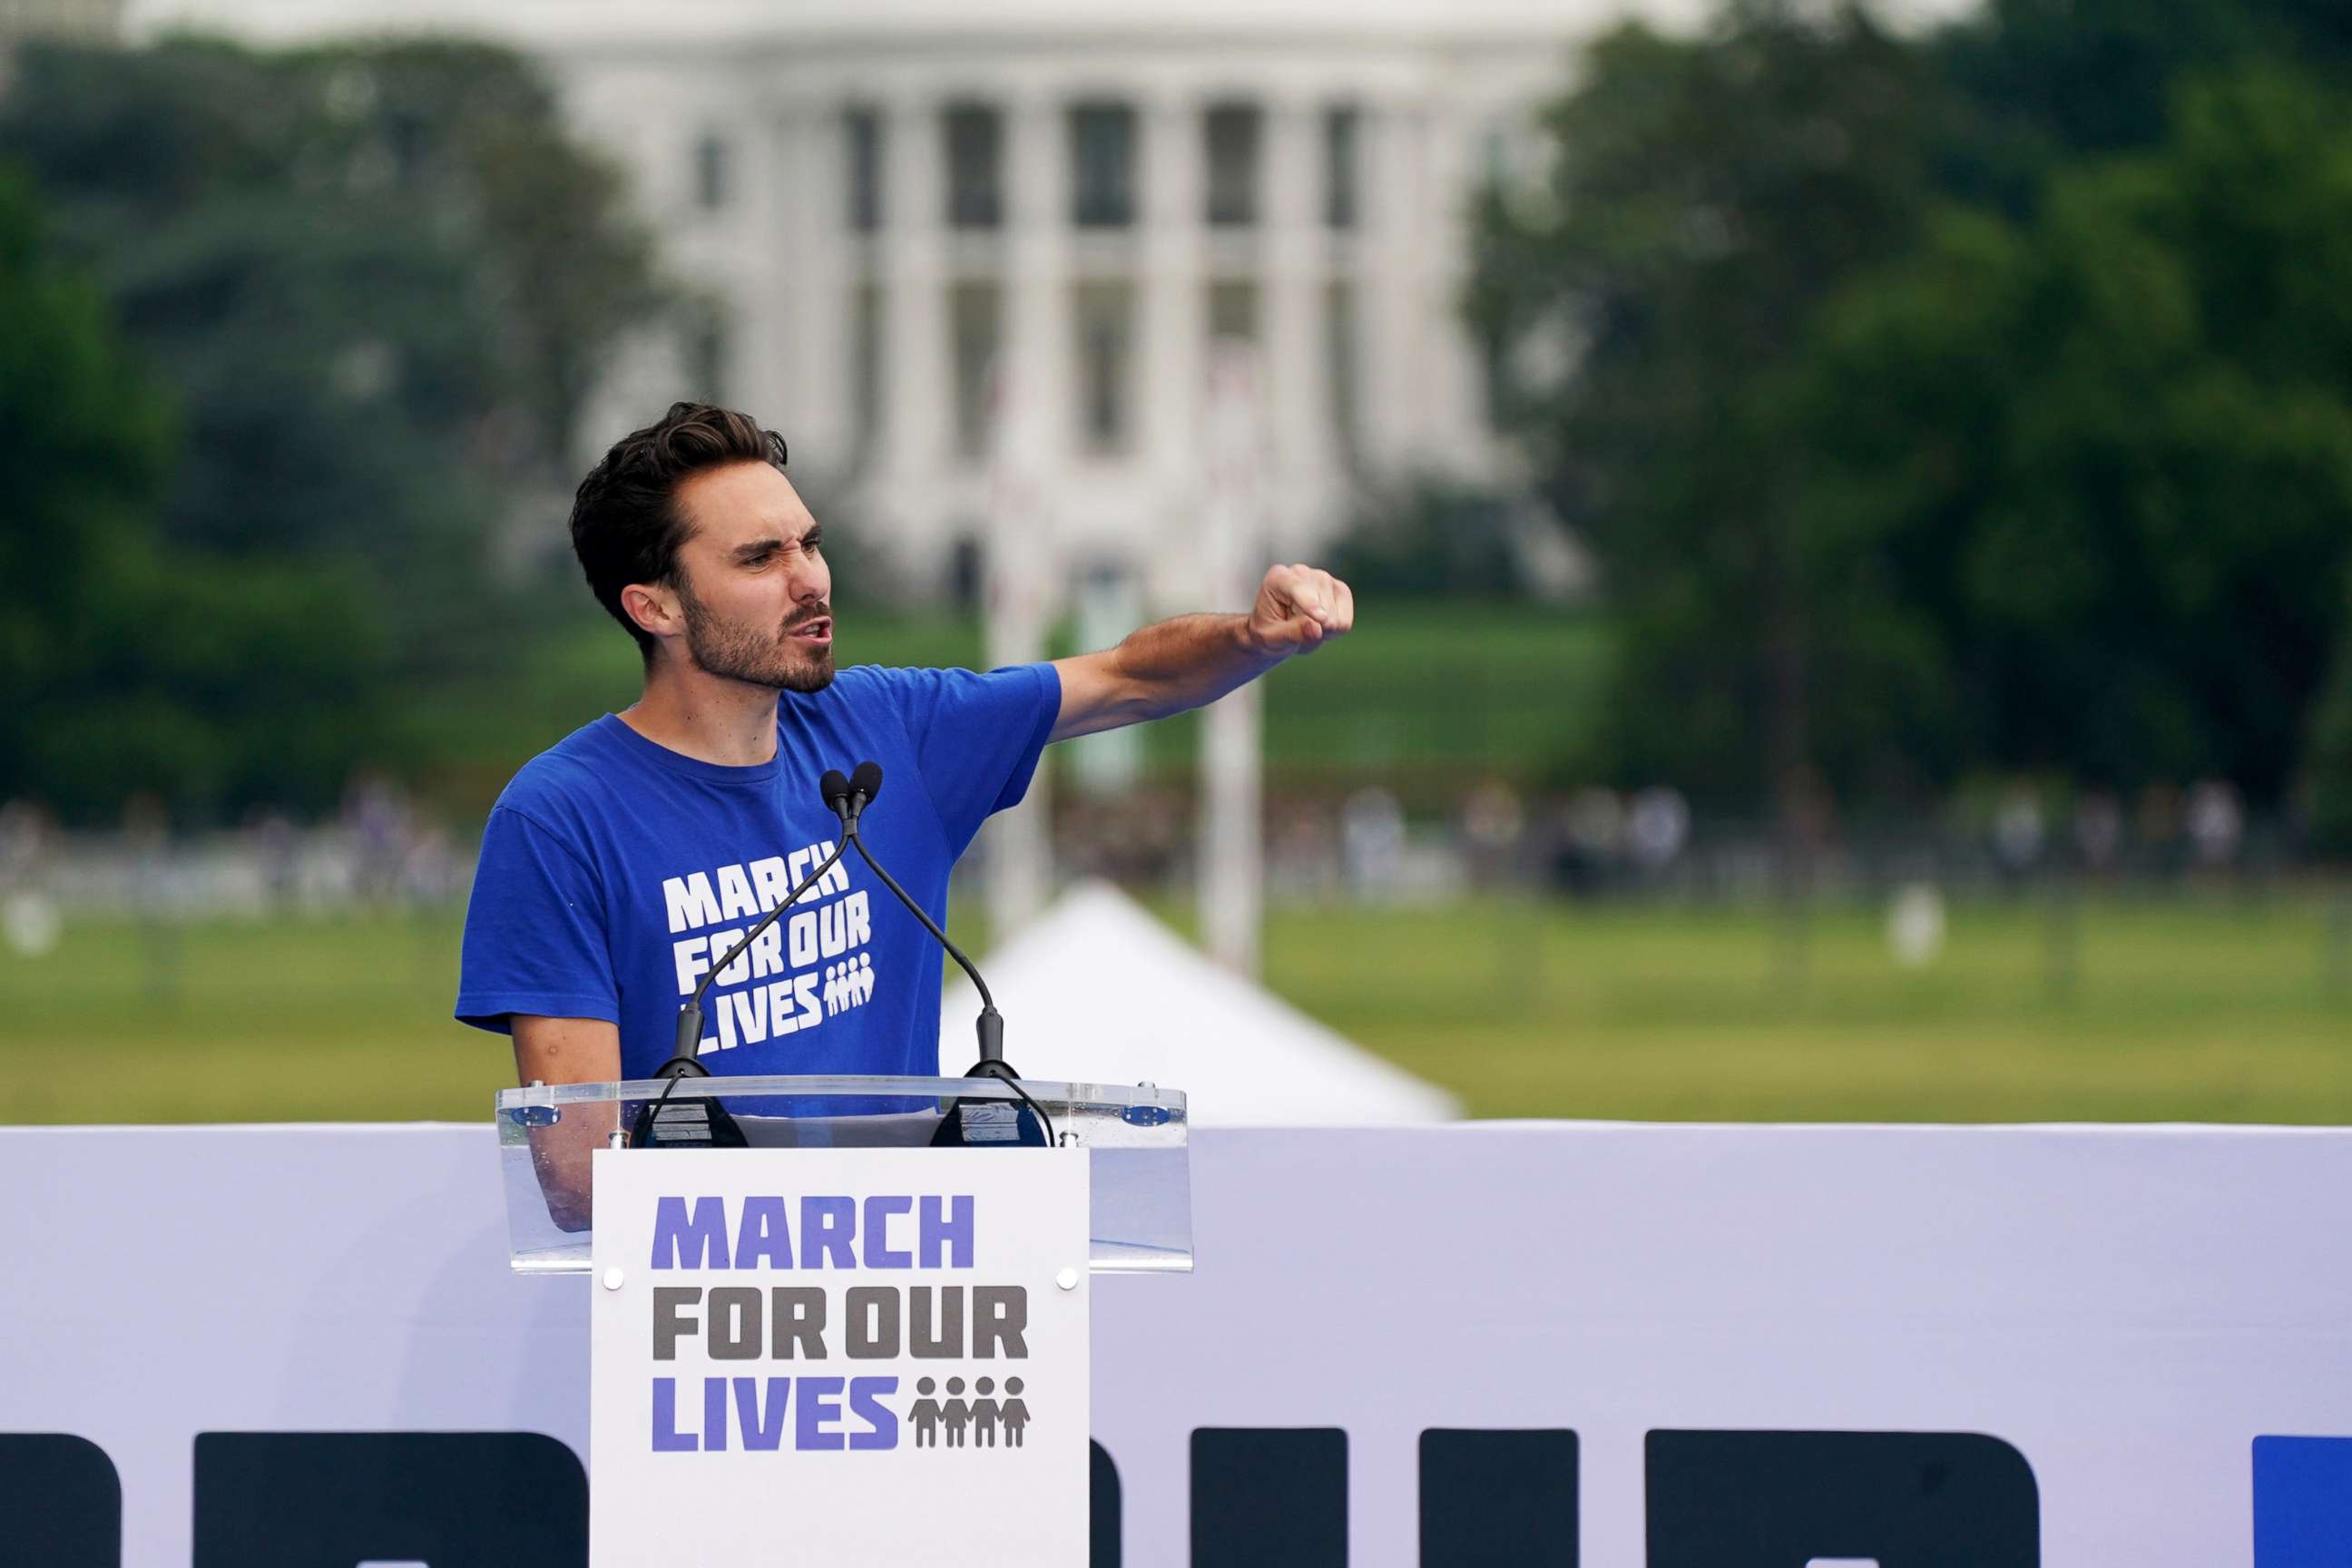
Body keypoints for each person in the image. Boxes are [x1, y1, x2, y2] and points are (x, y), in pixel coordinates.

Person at [457, 401, 1353, 1103]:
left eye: (810, 543)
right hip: (703, 1303)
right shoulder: (560, 818)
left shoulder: (889, 732)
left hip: (905, 1292)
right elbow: (578, 1170)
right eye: (760, 558)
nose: (810, 577)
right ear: (654, 607)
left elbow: (1127, 676)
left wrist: (1251, 635)